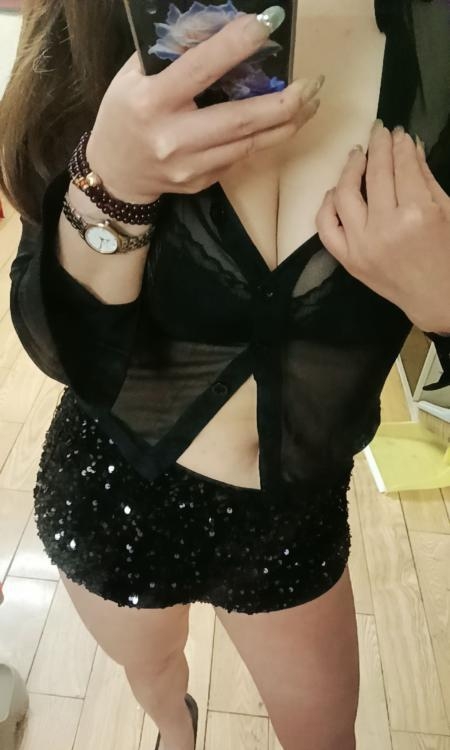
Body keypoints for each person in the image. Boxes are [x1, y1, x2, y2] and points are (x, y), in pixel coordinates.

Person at [0, 1, 449, 749]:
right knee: (156, 680)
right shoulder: (100, 18)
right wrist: (113, 183)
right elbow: (65, 353)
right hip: (113, 494)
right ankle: (177, 734)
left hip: (292, 524)